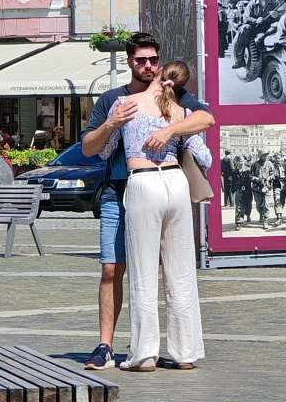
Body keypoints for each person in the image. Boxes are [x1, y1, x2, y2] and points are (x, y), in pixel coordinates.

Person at [80, 32, 214, 371]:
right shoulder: (169, 103)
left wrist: (158, 131)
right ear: (130, 61)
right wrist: (171, 129)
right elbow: (205, 154)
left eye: (153, 60)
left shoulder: (138, 104)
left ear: (160, 64)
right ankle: (184, 352)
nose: (148, 65)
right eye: (141, 60)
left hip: (141, 184)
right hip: (165, 185)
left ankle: (144, 353)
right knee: (175, 271)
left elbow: (104, 152)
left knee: (142, 272)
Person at [232, 0, 280, 70]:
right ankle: (239, 60)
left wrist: (277, 15)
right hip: (255, 28)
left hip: (269, 28)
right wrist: (255, 20)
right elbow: (246, 18)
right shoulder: (251, 3)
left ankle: (261, 41)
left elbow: (283, 15)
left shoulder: (274, 3)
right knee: (244, 28)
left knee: (277, 26)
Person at [233, 155, 253, 228]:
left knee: (248, 204)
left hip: (247, 190)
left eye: (241, 161)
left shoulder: (248, 170)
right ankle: (238, 222)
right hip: (239, 190)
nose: (240, 163)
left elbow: (251, 179)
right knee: (238, 206)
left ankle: (248, 215)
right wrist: (235, 190)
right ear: (236, 162)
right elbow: (233, 182)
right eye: (239, 161)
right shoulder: (234, 172)